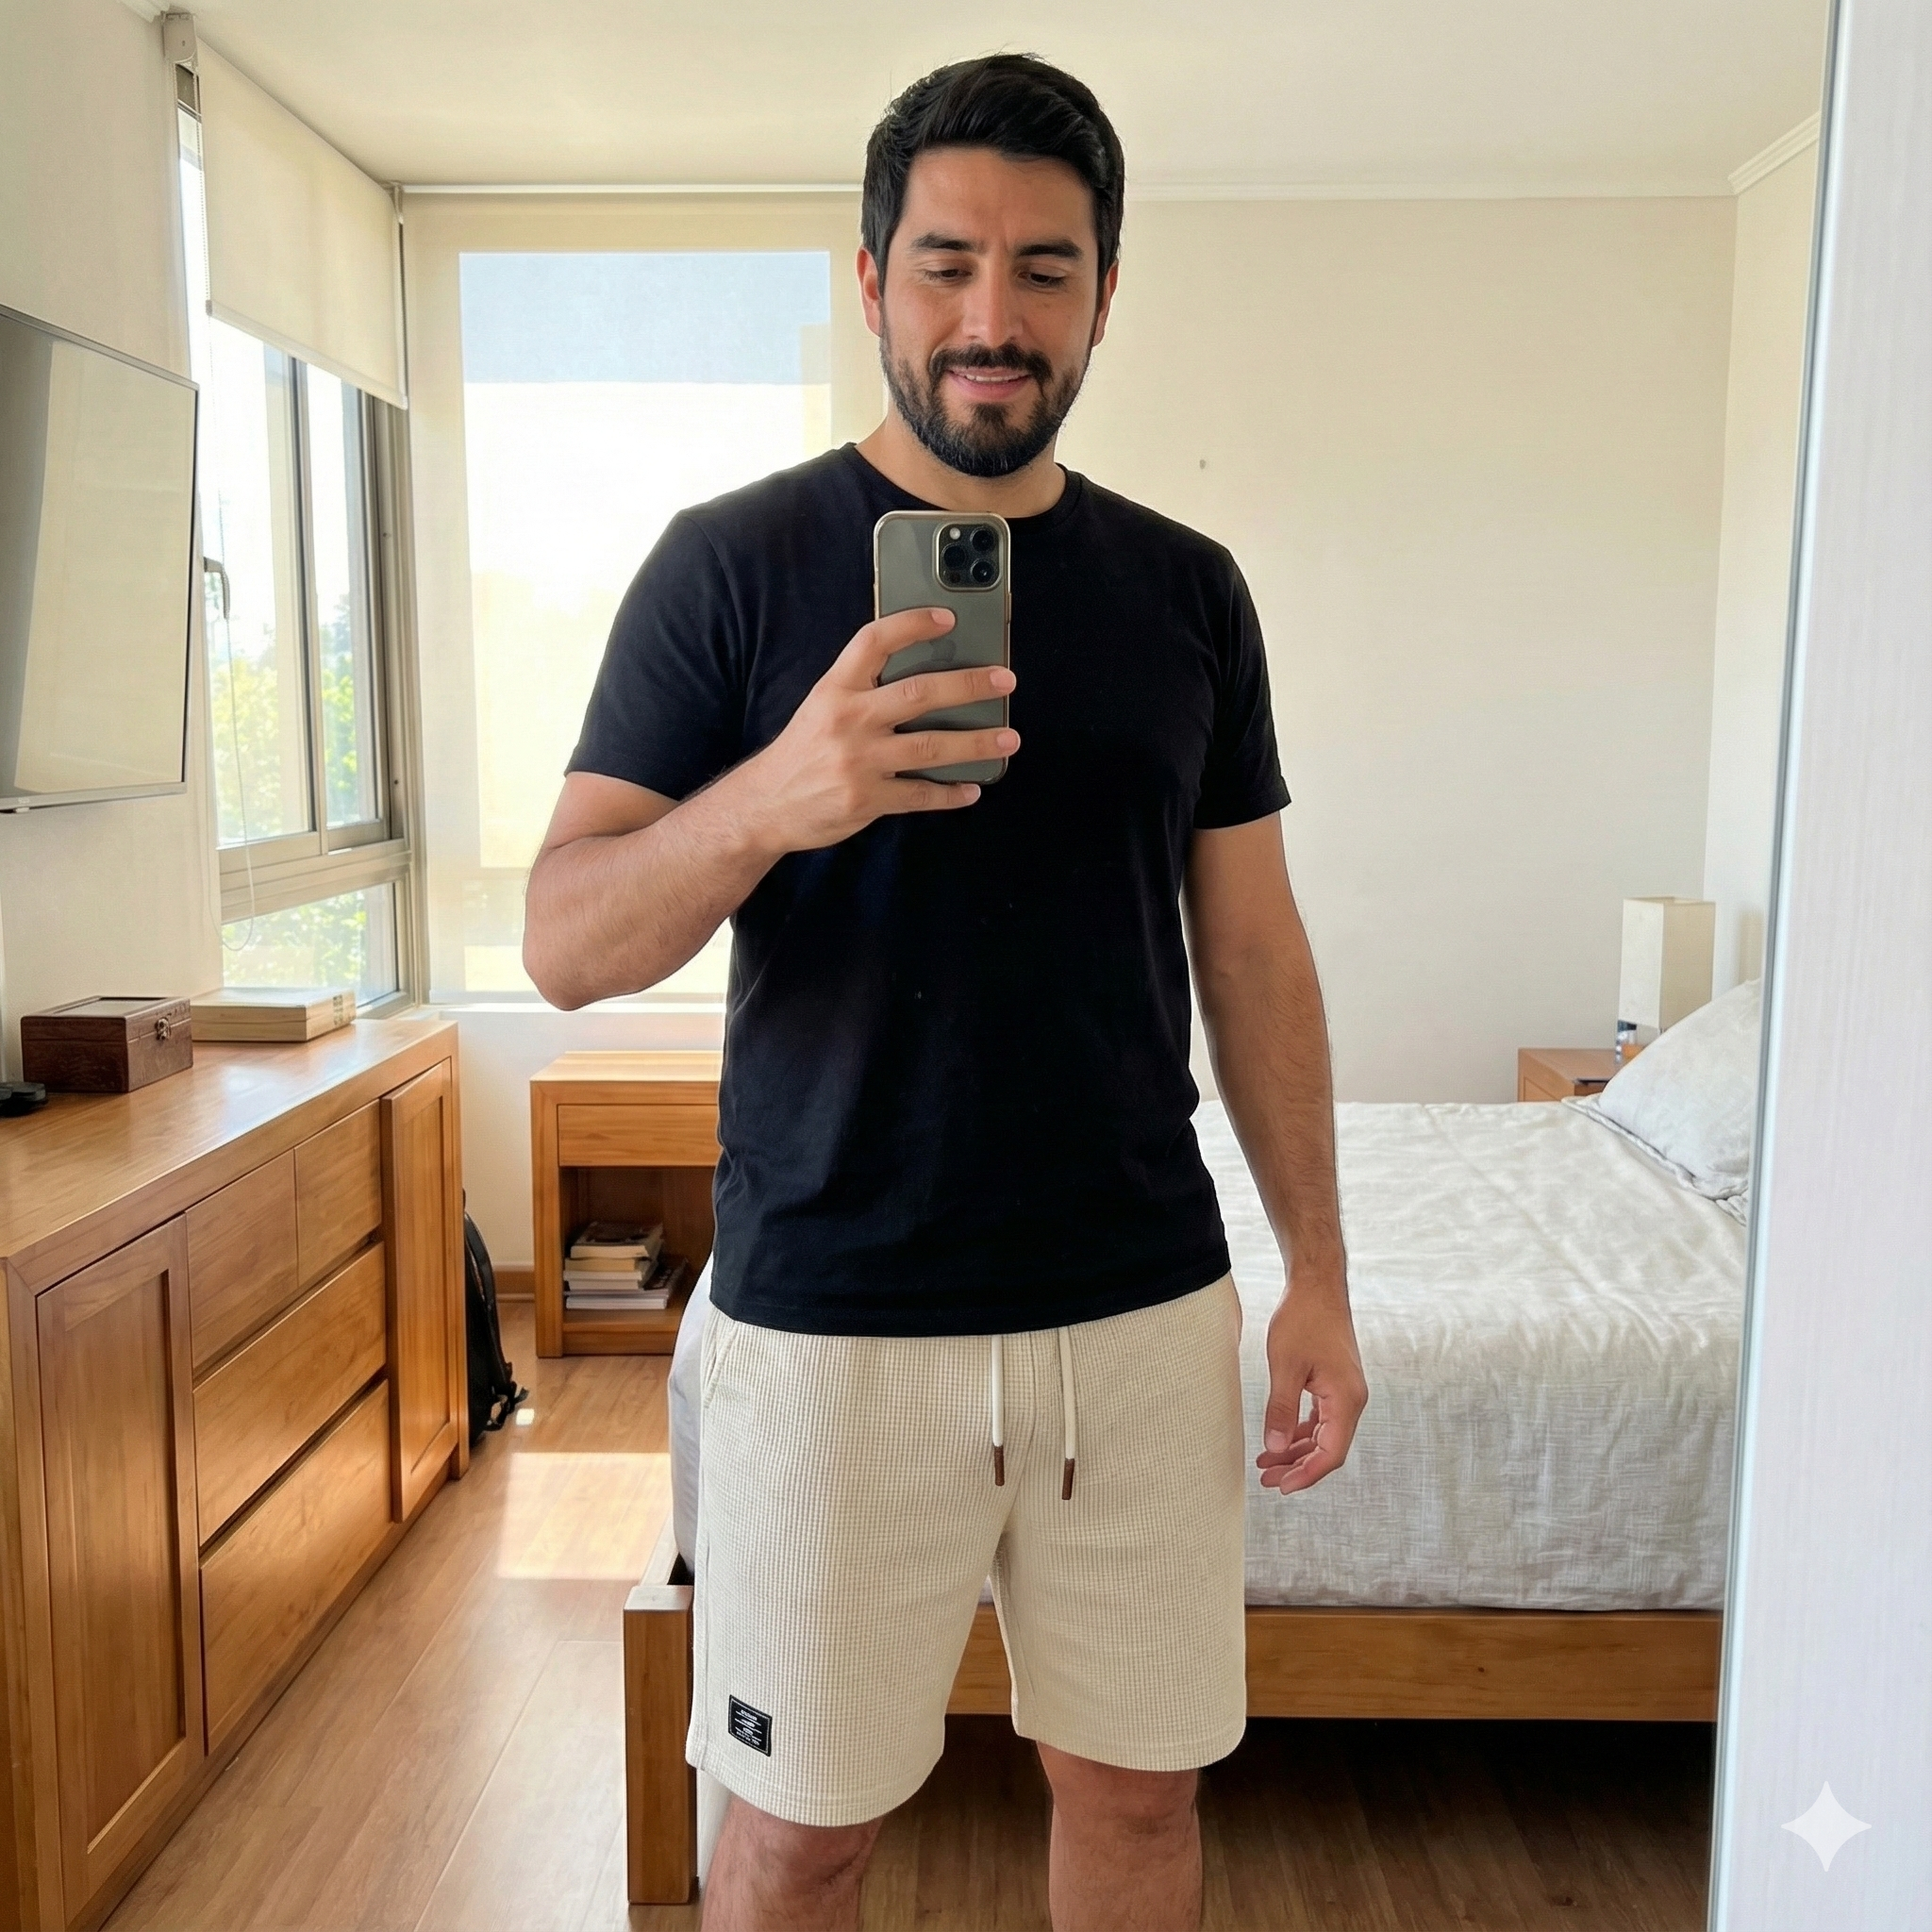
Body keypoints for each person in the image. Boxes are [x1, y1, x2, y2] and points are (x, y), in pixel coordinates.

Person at [523, 52, 1368, 1932]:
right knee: (795, 1836)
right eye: (947, 263)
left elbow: (1252, 949)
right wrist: (778, 795)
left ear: (1104, 295)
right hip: (833, 1318)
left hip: (1137, 1305)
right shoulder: (729, 567)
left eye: (1045, 269)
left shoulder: (1188, 592)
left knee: (1137, 1806)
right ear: (871, 280)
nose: (994, 316)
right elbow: (566, 943)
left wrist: (1318, 1270)